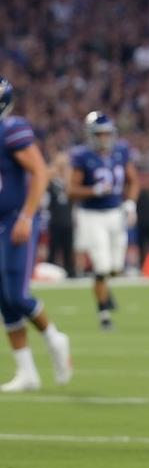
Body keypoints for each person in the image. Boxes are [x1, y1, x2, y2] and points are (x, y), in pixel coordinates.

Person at [0, 79, 72, 392]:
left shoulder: (11, 129)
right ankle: (27, 372)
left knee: (18, 295)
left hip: (16, 219)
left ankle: (55, 338)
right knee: (4, 300)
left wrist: (27, 216)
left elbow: (40, 172)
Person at [68, 110, 138, 329]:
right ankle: (104, 315)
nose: (104, 138)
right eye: (100, 134)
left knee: (116, 267)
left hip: (115, 212)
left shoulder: (121, 151)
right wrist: (94, 190)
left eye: (107, 134)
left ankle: (105, 290)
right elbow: (71, 191)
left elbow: (133, 180)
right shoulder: (82, 156)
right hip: (91, 215)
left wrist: (130, 203)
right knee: (101, 266)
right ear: (91, 135)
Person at [45, 152, 75, 278]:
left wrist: (66, 172)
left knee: (68, 249)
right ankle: (48, 272)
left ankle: (71, 273)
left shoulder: (69, 179)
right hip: (55, 219)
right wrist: (56, 168)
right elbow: (44, 178)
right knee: (53, 249)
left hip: (68, 220)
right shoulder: (52, 179)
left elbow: (71, 188)